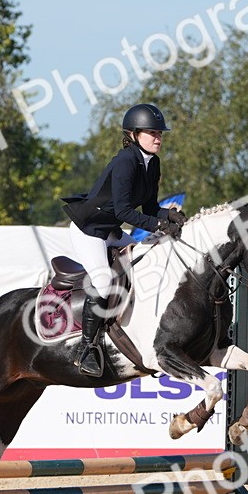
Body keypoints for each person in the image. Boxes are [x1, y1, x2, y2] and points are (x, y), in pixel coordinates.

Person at [60, 103, 187, 376]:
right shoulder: (125, 162)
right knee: (104, 283)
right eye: (151, 132)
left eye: (160, 133)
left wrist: (170, 216)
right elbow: (123, 211)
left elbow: (149, 207)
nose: (158, 138)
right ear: (133, 134)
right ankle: (87, 349)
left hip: (112, 232)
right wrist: (159, 224)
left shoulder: (152, 163)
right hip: (89, 231)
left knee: (146, 258)